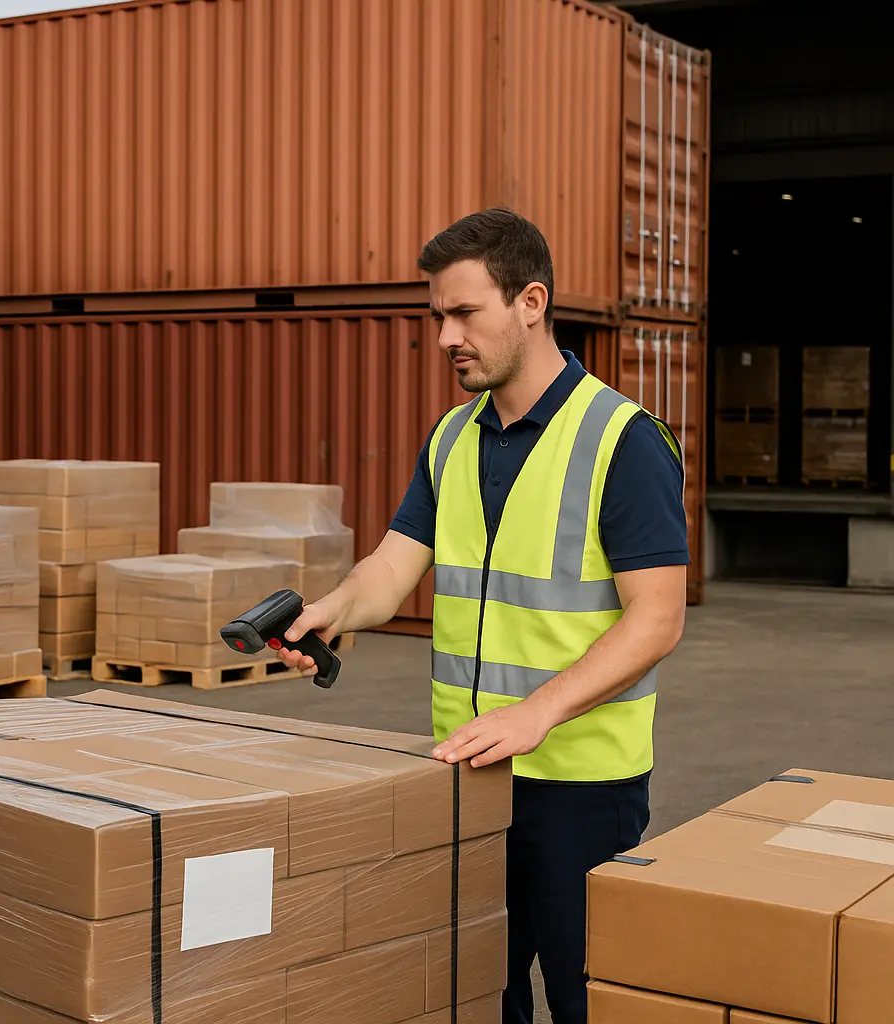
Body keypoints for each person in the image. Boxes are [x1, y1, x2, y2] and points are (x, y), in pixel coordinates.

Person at [272, 208, 688, 1024]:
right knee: (475, 998)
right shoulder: (453, 437)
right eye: (438, 317)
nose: (445, 337)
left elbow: (658, 620)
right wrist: (329, 610)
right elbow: (393, 568)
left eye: (465, 314)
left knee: (582, 1001)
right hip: (469, 776)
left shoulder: (621, 440)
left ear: (531, 302)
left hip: (580, 788)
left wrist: (538, 712)